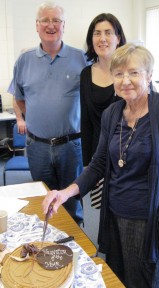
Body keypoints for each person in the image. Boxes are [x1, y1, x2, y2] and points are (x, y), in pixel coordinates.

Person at [42, 43, 159, 288]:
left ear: (149, 75)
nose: (125, 80)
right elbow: (98, 164)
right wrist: (65, 193)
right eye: (118, 74)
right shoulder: (112, 113)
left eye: (134, 73)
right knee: (117, 281)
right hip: (112, 213)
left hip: (146, 218)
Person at [13, 1, 87, 225]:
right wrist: (38, 116)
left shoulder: (82, 58)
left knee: (72, 201)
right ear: (37, 25)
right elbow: (19, 98)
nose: (51, 25)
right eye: (45, 20)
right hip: (38, 147)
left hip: (71, 146)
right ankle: (48, 245)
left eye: (56, 20)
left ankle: (75, 246)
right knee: (44, 202)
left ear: (64, 25)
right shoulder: (24, 60)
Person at [80, 13, 126, 167]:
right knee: (99, 192)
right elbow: (86, 122)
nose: (102, 38)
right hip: (97, 156)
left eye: (108, 32)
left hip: (127, 154)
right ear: (91, 40)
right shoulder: (86, 74)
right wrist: (87, 162)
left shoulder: (131, 72)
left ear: (118, 39)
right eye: (97, 33)